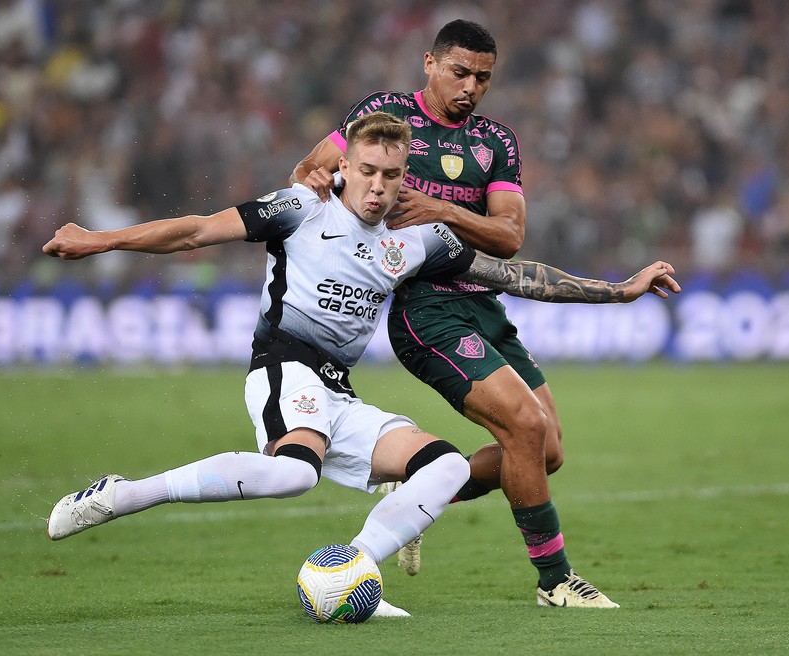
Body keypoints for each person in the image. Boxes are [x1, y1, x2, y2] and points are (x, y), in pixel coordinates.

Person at [45, 112, 679, 616]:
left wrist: (618, 291)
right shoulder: (299, 208)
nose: (379, 187)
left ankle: (350, 569)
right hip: (283, 364)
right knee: (294, 474)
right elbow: (195, 231)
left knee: (447, 465)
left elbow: (511, 274)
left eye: (393, 175)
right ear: (342, 165)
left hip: (337, 389)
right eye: (368, 170)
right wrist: (95, 241)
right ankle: (123, 495)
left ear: (407, 177)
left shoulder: (418, 240)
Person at [292, 19, 630, 607]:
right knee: (524, 427)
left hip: (485, 305)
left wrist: (441, 209)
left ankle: (414, 501)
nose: (470, 86)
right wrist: (318, 178)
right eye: (460, 72)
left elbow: (509, 236)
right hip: (426, 309)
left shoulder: (496, 141)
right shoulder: (383, 113)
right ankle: (556, 582)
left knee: (546, 450)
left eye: (483, 78)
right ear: (430, 63)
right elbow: (307, 175)